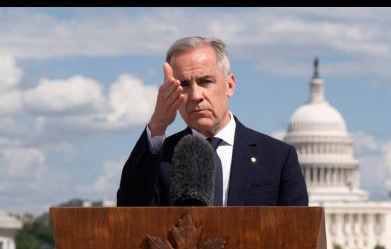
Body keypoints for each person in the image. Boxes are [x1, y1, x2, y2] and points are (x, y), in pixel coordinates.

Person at [117, 36, 308, 207]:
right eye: (183, 84)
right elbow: (128, 211)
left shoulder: (277, 157)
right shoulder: (160, 158)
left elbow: (297, 234)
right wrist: (158, 124)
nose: (195, 95)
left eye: (205, 81)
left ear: (230, 85)